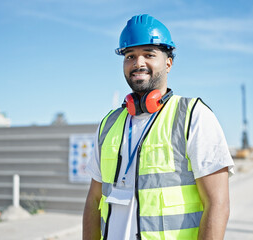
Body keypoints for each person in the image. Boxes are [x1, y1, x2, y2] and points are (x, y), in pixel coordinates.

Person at [83, 14, 235, 240]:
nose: (138, 63)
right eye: (130, 56)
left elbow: (217, 204)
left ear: (168, 62)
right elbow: (94, 200)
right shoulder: (109, 124)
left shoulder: (194, 116)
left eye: (149, 54)